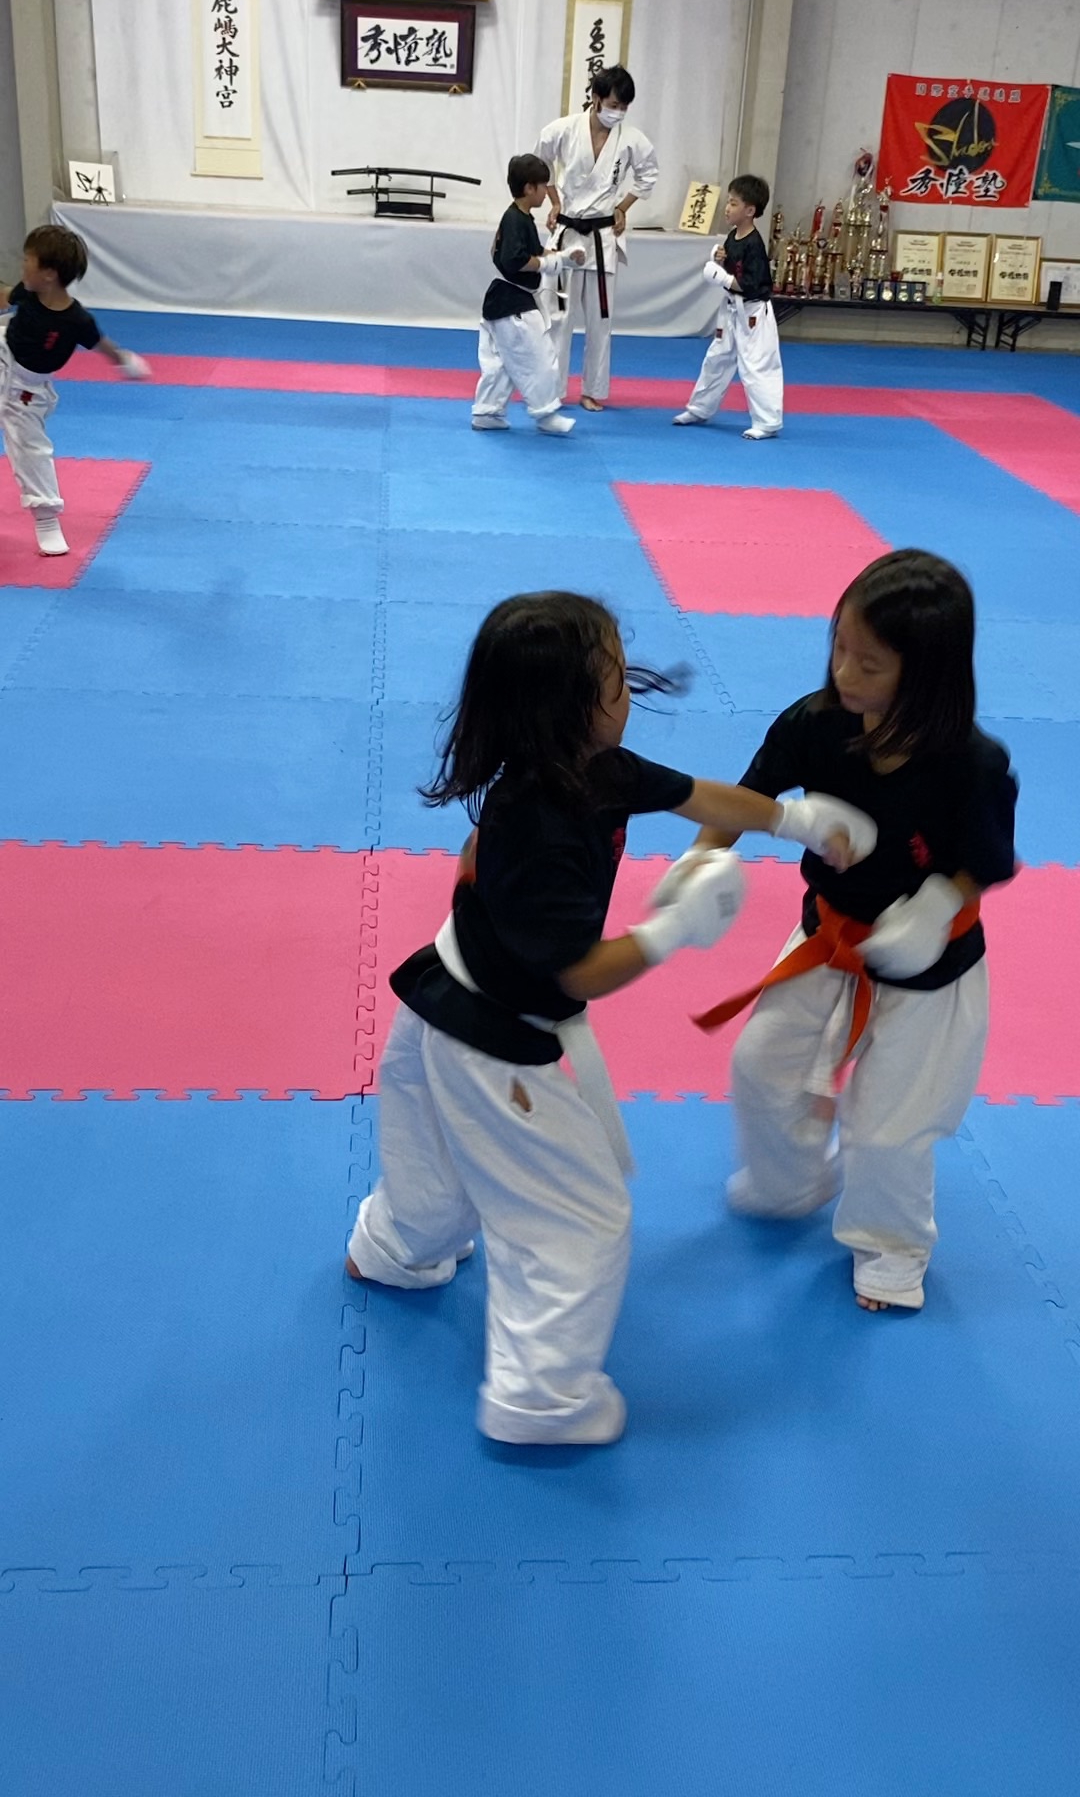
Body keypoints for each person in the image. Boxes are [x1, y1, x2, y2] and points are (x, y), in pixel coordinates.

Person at [345, 591, 877, 1445]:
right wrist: (673, 930)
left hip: (443, 995)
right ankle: (539, 1401)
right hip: (493, 1042)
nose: (629, 689)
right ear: (567, 709)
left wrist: (791, 818)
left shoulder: (597, 769)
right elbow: (580, 972)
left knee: (435, 1159)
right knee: (580, 1218)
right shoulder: (539, 827)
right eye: (614, 679)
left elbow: (700, 798)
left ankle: (395, 1251)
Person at [670, 551, 1018, 1312]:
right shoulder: (816, 722)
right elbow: (746, 800)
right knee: (761, 1067)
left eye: (870, 663)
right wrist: (700, 862)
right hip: (827, 937)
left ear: (926, 676)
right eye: (839, 648)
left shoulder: (973, 765)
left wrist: (937, 906)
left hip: (932, 963)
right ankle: (792, 1180)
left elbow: (989, 863)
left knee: (889, 1126)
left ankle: (892, 1245)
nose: (844, 673)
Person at [0, 225, 150, 556]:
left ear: (49, 274)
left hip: (27, 389)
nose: (22, 265)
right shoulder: (28, 292)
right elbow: (5, 297)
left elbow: (102, 344)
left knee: (31, 450)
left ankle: (46, 518)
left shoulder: (76, 321)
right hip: (2, 355)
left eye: (27, 260)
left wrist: (125, 362)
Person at [536, 67, 658, 413]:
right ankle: (552, 388)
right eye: (614, 105)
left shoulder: (632, 139)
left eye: (624, 107)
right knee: (558, 316)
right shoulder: (562, 130)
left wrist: (622, 207)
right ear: (596, 97)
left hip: (603, 237)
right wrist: (555, 202)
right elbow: (540, 163)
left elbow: (648, 175)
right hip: (568, 234)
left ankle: (592, 389)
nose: (618, 112)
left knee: (600, 319)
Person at [472, 153, 585, 438]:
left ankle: (487, 411)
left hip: (505, 299)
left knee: (503, 361)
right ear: (528, 188)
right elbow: (516, 261)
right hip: (513, 303)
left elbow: (524, 252)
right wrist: (550, 264)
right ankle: (546, 414)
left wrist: (564, 258)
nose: (546, 192)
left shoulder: (519, 217)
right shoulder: (515, 219)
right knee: (539, 355)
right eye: (543, 186)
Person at [674, 174, 783, 440]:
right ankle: (700, 409)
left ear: (750, 211)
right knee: (717, 359)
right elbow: (732, 269)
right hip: (732, 310)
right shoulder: (734, 236)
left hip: (754, 312)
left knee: (756, 365)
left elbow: (751, 284)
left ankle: (767, 422)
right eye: (728, 202)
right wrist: (719, 258)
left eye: (734, 203)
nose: (727, 208)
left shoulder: (755, 244)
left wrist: (721, 277)